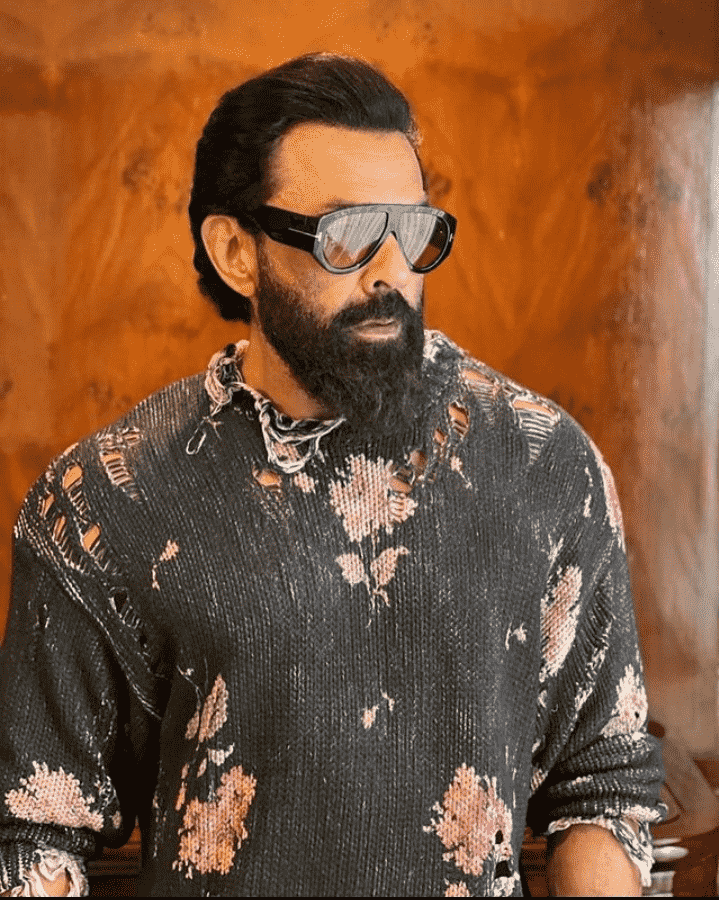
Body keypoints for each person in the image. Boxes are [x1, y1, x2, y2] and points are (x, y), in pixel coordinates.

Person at [0, 53, 664, 897]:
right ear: (236, 252)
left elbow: (603, 787)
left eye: (412, 231)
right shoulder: (104, 500)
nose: (390, 271)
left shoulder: (542, 467)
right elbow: (33, 831)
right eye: (347, 235)